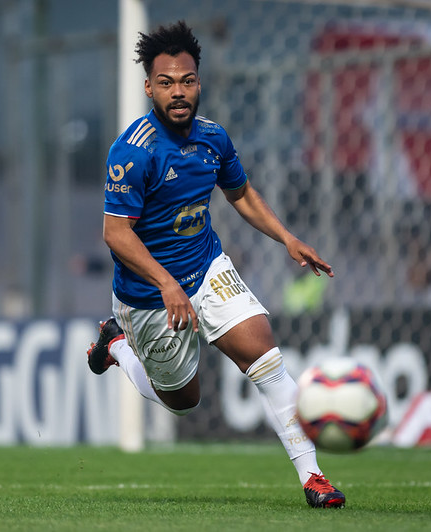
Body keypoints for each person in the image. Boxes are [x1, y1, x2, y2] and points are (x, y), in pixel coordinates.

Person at [87, 21, 345, 508]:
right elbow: (115, 232)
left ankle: (314, 478)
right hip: (148, 295)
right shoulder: (132, 153)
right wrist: (165, 284)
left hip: (206, 269)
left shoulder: (213, 139)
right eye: (166, 83)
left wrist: (287, 238)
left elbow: (240, 193)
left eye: (187, 80)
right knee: (183, 402)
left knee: (264, 356)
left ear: (199, 83)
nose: (178, 92)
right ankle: (117, 345)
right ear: (148, 87)